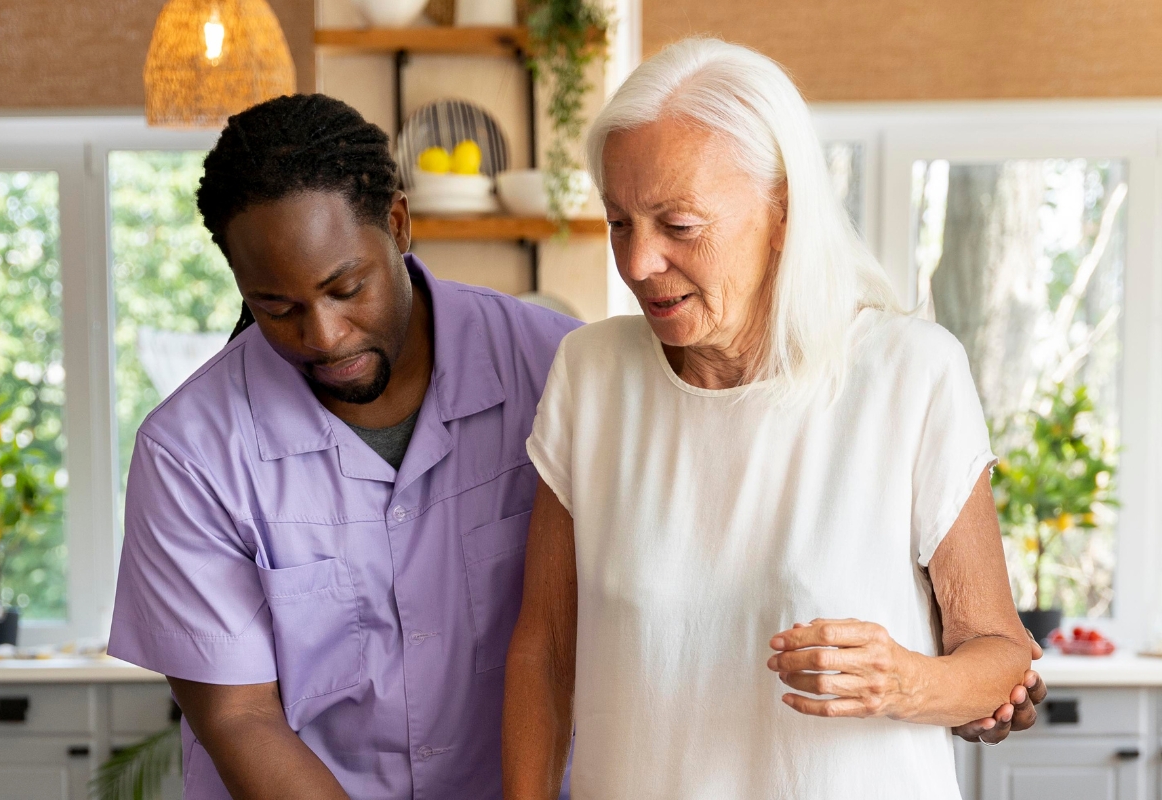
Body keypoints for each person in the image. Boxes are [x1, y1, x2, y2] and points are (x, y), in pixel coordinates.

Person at [503, 38, 1046, 800]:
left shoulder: (910, 372)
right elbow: (546, 646)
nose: (637, 263)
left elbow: (1001, 658)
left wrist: (905, 681)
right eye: (619, 221)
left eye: (679, 225)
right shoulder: (590, 375)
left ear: (782, 212)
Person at [106, 94, 581, 799]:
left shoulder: (555, 372)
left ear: (397, 223)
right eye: (277, 307)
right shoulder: (189, 454)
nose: (323, 336)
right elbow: (240, 719)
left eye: (346, 287)